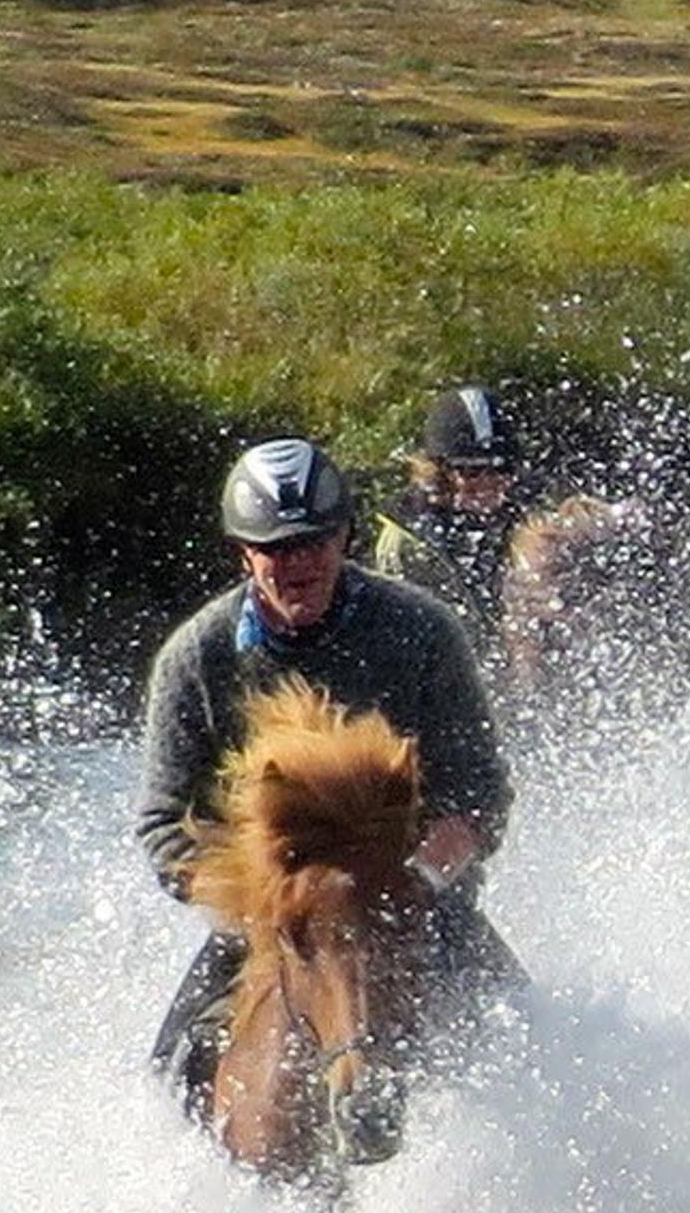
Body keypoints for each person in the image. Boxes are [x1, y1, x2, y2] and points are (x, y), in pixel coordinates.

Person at [136, 437, 520, 1108]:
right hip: (273, 921)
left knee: (532, 1039)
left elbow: (481, 789)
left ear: (346, 535)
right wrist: (257, 895)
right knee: (165, 1074)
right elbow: (164, 824)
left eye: (314, 541)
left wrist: (422, 878)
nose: (297, 563)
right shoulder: (195, 658)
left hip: (420, 905)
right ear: (244, 551)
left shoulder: (423, 631)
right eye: (276, 547)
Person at [369, 383, 533, 648]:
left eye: (500, 469)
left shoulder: (527, 517)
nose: (487, 483)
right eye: (471, 472)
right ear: (441, 472)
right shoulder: (406, 542)